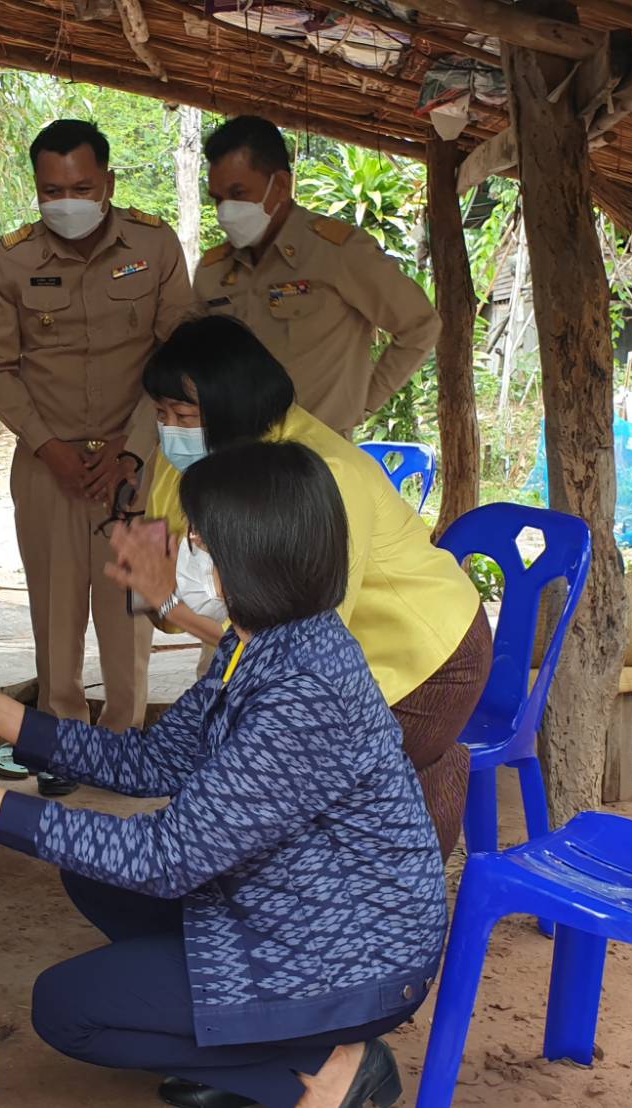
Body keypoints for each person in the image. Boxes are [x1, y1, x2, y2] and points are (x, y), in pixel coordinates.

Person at [0, 441, 447, 1108]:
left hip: (353, 952)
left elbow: (166, 858)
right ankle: (250, 1033)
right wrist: (0, 714)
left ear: (247, 558)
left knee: (68, 1008)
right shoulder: (261, 641)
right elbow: (153, 760)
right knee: (90, 869)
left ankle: (328, 1063)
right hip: (291, 902)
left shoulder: (303, 693)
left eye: (198, 543)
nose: (186, 556)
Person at [112, 314, 489, 861]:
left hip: (424, 657)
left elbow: (307, 651)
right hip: (312, 652)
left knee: (301, 779)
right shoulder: (189, 458)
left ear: (233, 405)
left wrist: (170, 600)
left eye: (184, 416)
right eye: (161, 414)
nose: (170, 431)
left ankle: (410, 832)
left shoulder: (322, 474)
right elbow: (157, 579)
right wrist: (155, 593)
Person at [0, 118, 193, 794]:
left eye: (81, 187)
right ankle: (63, 744)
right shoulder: (11, 260)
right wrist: (49, 447)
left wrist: (132, 450)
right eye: (51, 190)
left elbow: (174, 356)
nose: (65, 201)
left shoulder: (154, 246)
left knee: (133, 611)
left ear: (108, 184)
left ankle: (124, 745)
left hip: (139, 464)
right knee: (55, 612)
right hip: (47, 469)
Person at [194, 116, 441, 437]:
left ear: (280, 185)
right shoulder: (213, 271)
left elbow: (420, 325)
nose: (225, 210)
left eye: (238, 193)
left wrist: (362, 403)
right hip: (233, 448)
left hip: (315, 453)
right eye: (218, 198)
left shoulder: (338, 252)